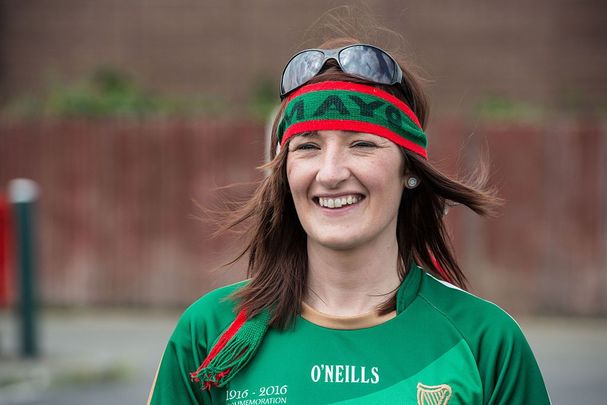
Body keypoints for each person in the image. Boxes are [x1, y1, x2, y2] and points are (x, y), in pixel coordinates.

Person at [148, 39, 551, 404]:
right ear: (285, 174)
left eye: (361, 144)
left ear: (408, 170)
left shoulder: (486, 342)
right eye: (308, 146)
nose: (330, 172)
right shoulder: (210, 335)